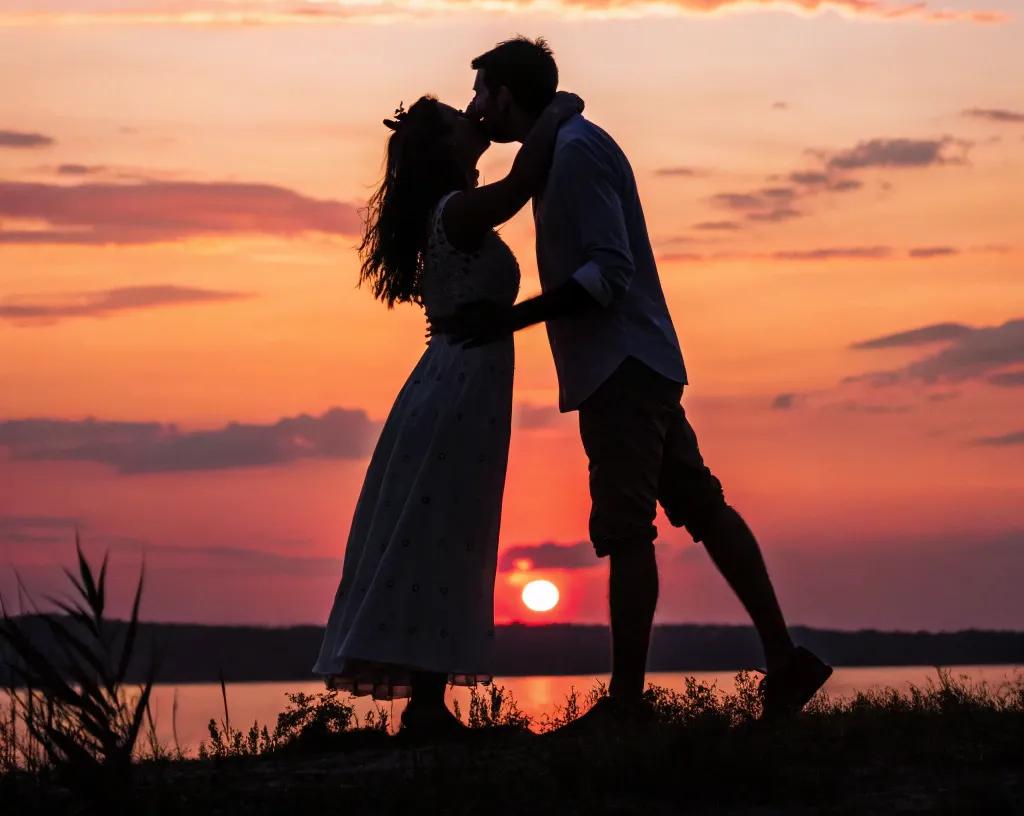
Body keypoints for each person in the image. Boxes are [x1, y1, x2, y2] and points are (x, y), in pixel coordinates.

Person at [446, 37, 831, 731]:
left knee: (626, 532)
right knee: (703, 507)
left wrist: (510, 319)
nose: (475, 108)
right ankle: (787, 662)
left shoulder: (576, 153)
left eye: (480, 94)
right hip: (633, 363)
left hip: (621, 368)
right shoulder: (562, 149)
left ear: (506, 94)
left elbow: (608, 272)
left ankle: (627, 704)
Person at [313, 88, 582, 740]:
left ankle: (428, 704)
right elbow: (520, 186)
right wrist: (556, 109)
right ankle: (427, 707)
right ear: (445, 149)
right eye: (462, 120)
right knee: (442, 529)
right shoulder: (456, 211)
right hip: (458, 388)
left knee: (447, 530)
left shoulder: (452, 211)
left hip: (460, 386)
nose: (476, 118)